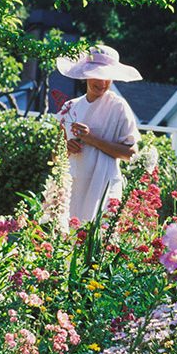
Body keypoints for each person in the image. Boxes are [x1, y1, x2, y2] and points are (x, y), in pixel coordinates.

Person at [55, 45, 142, 222]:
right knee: (68, 239)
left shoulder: (118, 106)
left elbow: (131, 153)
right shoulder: (70, 108)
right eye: (97, 75)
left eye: (107, 77)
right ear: (86, 74)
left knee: (100, 239)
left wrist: (91, 139)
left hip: (103, 185)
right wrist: (66, 148)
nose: (102, 83)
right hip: (74, 186)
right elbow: (56, 156)